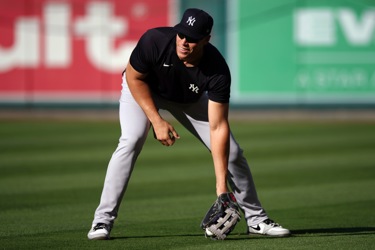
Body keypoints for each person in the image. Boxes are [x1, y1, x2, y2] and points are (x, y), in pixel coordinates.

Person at [88, 8, 290, 240]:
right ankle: (102, 220)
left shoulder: (217, 70)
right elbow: (134, 78)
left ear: (206, 40)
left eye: (192, 38)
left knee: (233, 153)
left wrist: (221, 188)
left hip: (187, 99)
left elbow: (218, 127)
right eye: (181, 34)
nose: (184, 42)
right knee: (131, 139)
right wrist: (157, 120)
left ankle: (256, 220)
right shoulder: (154, 40)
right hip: (143, 90)